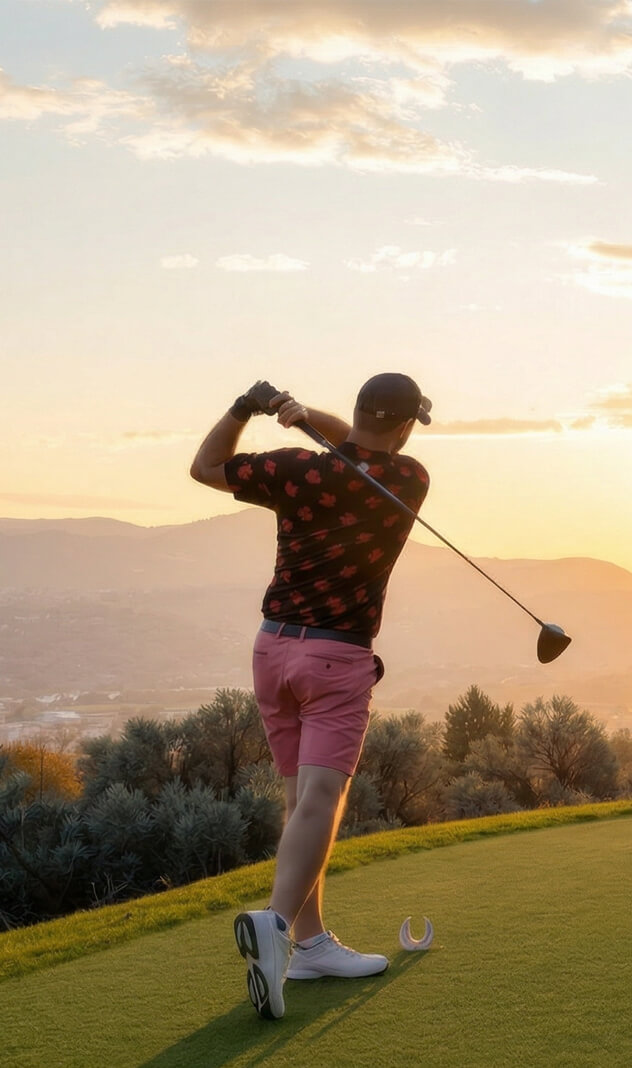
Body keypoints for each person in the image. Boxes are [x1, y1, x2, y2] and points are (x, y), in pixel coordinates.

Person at [189, 372, 432, 1020]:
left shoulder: (296, 469)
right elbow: (361, 447)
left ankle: (312, 942)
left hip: (273, 650)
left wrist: (249, 407)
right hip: (336, 657)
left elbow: (205, 467)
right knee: (323, 801)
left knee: (300, 803)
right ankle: (274, 926)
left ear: (355, 411)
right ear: (407, 426)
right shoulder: (407, 480)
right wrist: (305, 418)